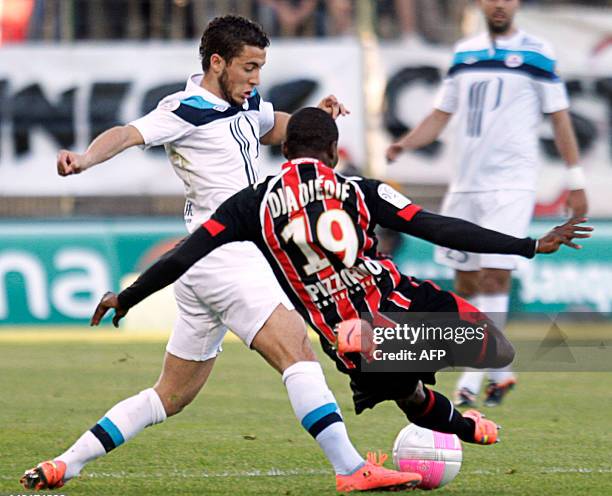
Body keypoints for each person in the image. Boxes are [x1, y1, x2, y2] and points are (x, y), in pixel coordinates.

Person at [21, 16, 420, 494]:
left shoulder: (246, 103)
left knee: (170, 395)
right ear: (217, 63)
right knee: (296, 348)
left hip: (204, 265)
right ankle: (352, 467)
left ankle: (65, 463)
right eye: (249, 68)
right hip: (227, 256)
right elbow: (127, 133)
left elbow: (280, 129)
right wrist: (84, 158)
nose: (256, 79)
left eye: (260, 68)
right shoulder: (184, 108)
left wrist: (319, 120)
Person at [89, 108, 591, 454]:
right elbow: (436, 225)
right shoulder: (359, 190)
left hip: (346, 339)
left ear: (284, 151)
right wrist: (528, 244)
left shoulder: (249, 205)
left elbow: (184, 254)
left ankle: (460, 423)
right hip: (398, 300)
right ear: (332, 152)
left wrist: (128, 297)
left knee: (411, 397)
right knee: (494, 349)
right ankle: (452, 394)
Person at [386, 0, 588, 407]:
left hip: (511, 184)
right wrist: (405, 143)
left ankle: (472, 379)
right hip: (465, 185)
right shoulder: (464, 53)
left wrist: (575, 179)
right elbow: (441, 115)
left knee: (494, 276)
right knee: (466, 284)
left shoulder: (538, 53)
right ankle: (501, 372)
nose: (500, 4)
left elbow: (560, 118)